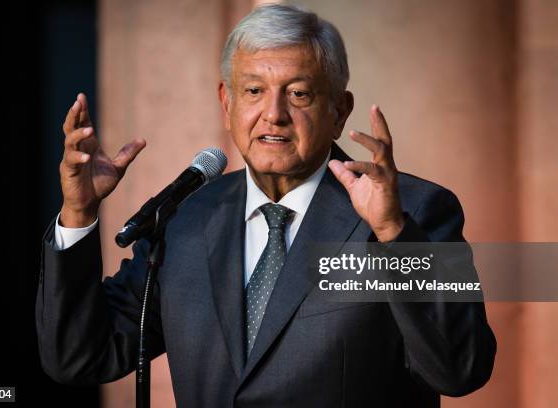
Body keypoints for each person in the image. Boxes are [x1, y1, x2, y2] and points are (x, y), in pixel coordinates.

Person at [36, 4, 496, 407]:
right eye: (253, 91)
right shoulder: (186, 219)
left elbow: (459, 371)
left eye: (299, 94)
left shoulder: (415, 210)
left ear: (339, 110)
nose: (273, 113)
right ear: (227, 102)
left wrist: (394, 232)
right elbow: (80, 357)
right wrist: (78, 214)